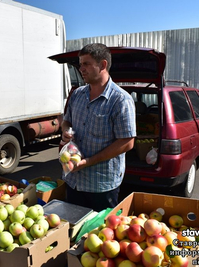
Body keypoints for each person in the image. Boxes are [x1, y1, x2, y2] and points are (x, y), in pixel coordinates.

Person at [61, 43, 136, 212]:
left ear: (103, 65)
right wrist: (66, 131)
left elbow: (127, 142)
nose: (81, 69)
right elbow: (66, 121)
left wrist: (88, 162)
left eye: (86, 64)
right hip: (73, 180)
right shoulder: (77, 94)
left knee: (100, 232)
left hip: (101, 185)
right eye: (80, 64)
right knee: (73, 231)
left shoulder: (120, 100)